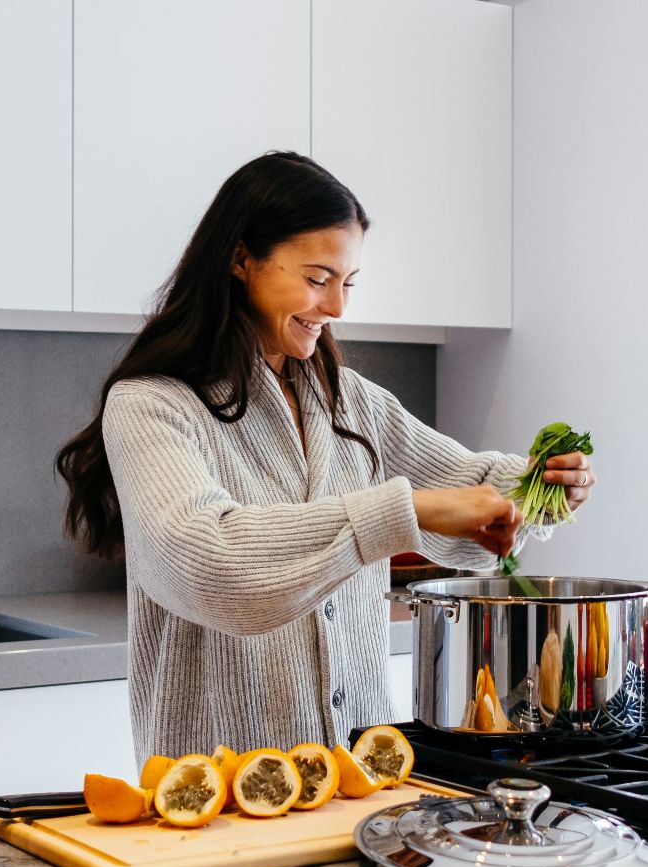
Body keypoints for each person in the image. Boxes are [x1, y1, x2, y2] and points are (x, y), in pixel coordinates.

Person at [56, 151, 595, 761]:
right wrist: (403, 512)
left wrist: (540, 486)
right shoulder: (153, 405)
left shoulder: (350, 401)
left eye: (347, 282)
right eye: (317, 279)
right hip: (220, 793)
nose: (337, 307)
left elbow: (467, 488)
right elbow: (209, 562)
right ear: (240, 260)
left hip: (365, 777)